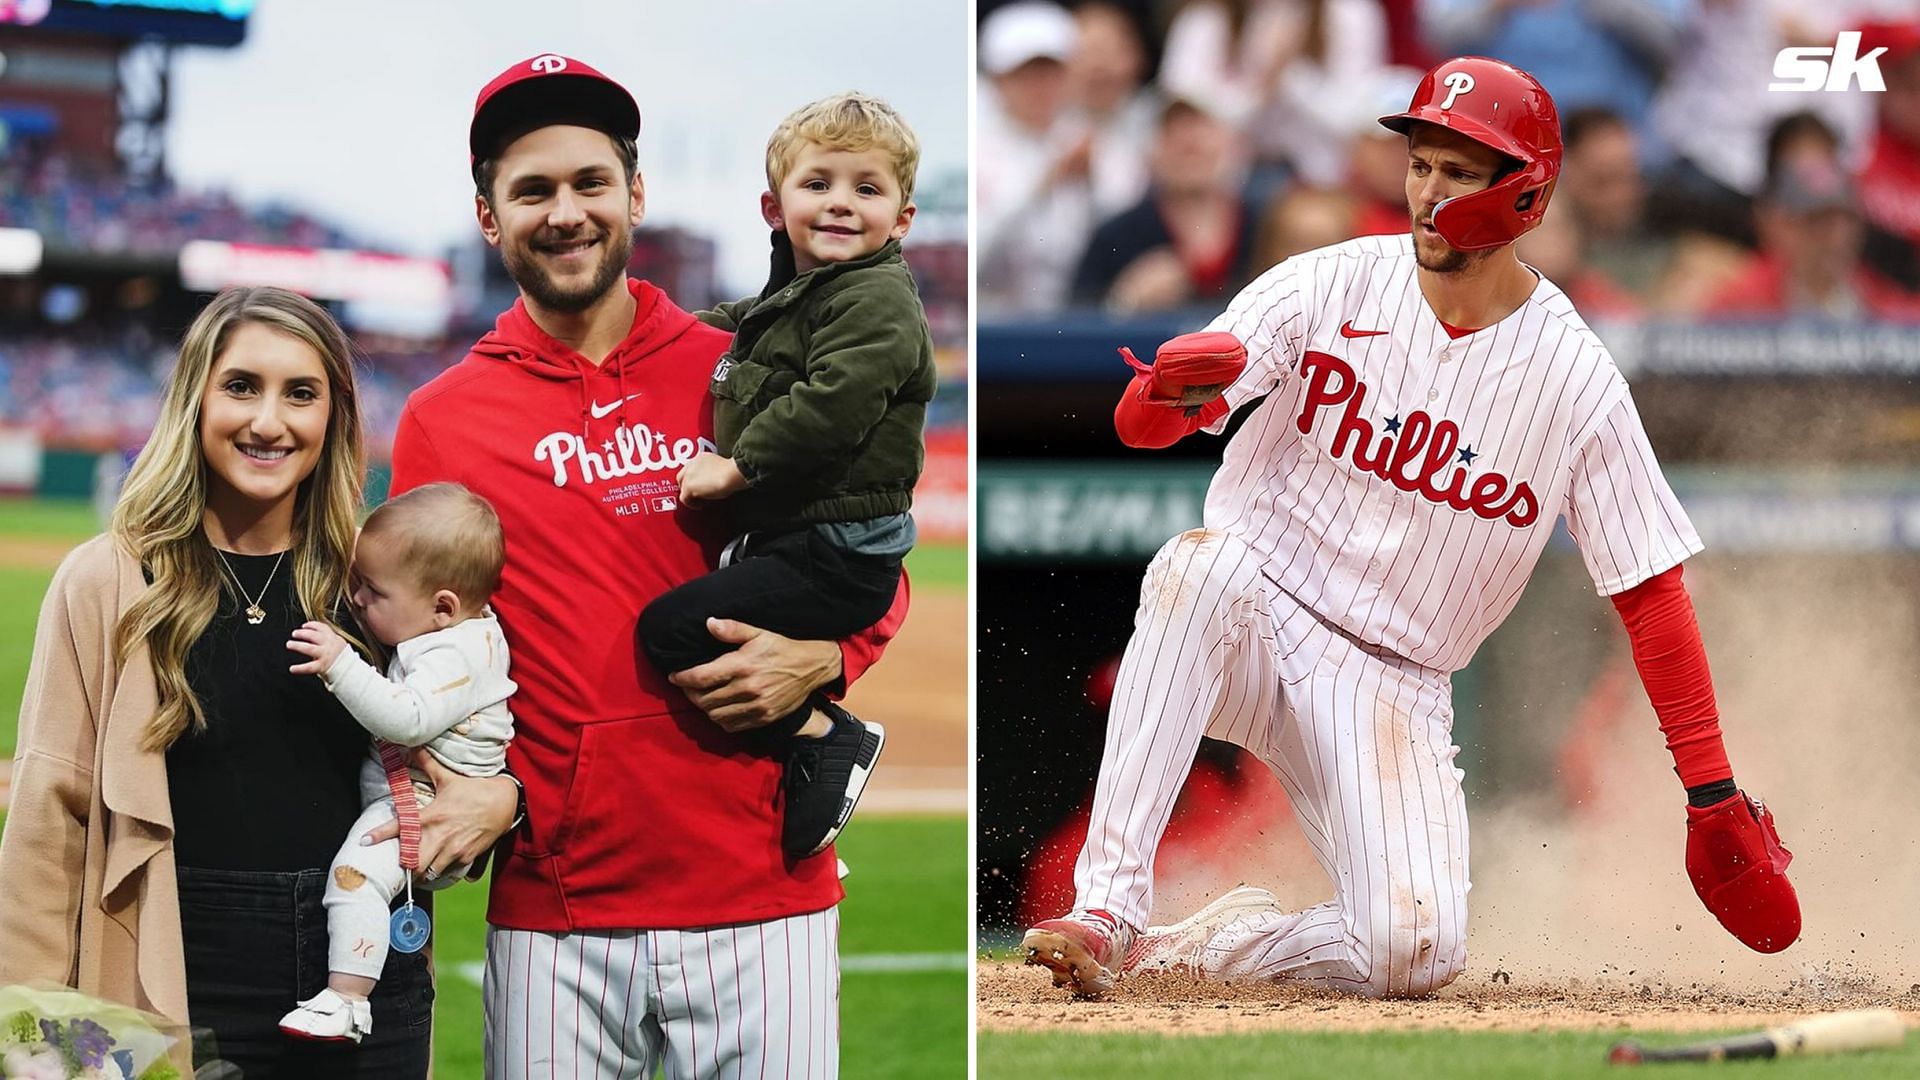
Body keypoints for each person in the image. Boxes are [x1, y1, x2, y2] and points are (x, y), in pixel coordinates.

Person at [1020, 57, 1799, 1000]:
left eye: (1461, 171)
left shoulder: (1575, 378)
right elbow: (1144, 430)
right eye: (1422, 162)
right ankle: (1108, 910)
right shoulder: (1328, 283)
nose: (1431, 191)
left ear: (1525, 193)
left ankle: (1189, 954)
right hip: (1256, 611)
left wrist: (1710, 788)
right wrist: (1160, 393)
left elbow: (1651, 588)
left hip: (1395, 684)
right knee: (1196, 568)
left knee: (1412, 953)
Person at [390, 54, 904, 1076]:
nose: (564, 211)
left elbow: (863, 538)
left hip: (766, 888)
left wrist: (830, 660)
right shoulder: (441, 423)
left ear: (635, 194)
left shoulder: (741, 365)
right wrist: (479, 790)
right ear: (490, 217)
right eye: (531, 190)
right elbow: (420, 658)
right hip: (555, 906)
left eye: (589, 183)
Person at [0, 286, 452, 1077]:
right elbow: (50, 818)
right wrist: (33, 1034)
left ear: (334, 418)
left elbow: (456, 751)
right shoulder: (108, 579)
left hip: (366, 972)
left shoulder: (374, 582)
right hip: (170, 966)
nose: (268, 421)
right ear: (195, 400)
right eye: (241, 385)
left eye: (301, 394)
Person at [637, 90, 934, 859]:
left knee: (670, 629)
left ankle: (821, 733)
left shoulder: (877, 302)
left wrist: (736, 469)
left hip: (833, 552)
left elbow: (831, 407)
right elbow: (737, 325)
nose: (840, 204)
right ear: (775, 206)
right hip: (812, 542)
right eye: (819, 184)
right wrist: (653, 338)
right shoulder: (800, 295)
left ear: (901, 218)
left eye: (866, 189)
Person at [275, 482, 515, 1044]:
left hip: (424, 811)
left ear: (442, 607)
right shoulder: (453, 629)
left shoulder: (456, 652)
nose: (357, 599)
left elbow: (405, 719)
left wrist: (340, 664)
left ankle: (348, 1000)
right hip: (415, 797)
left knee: (352, 881)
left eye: (373, 591)